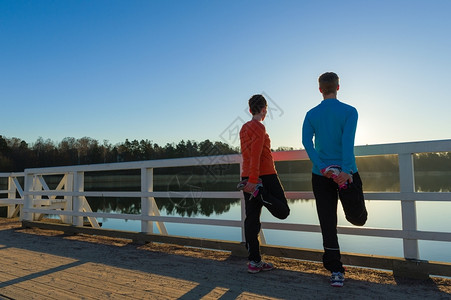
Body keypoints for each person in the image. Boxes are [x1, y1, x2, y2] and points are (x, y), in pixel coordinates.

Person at [302, 72, 368, 287]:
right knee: (358, 218)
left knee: (327, 221)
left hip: (321, 175)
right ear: (338, 87)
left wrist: (322, 167)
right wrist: (347, 171)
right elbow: (348, 141)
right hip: (346, 173)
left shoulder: (311, 114)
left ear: (320, 89)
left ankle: (335, 270)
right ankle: (337, 269)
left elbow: (307, 142)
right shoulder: (350, 111)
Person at [239, 94, 290, 273]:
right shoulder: (259, 127)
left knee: (252, 219)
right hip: (263, 176)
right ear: (263, 109)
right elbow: (255, 155)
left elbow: (248, 156)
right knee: (283, 210)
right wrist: (254, 182)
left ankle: (254, 262)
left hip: (246, 177)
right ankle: (260, 194)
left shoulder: (244, 128)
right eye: (266, 109)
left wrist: (249, 180)